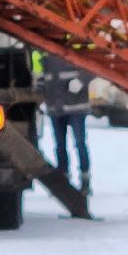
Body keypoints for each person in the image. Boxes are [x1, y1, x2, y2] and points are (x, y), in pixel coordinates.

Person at [38, 53, 92, 195]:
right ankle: (64, 180)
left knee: (79, 143)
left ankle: (85, 181)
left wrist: (81, 81)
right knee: (60, 145)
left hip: (76, 107)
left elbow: (92, 68)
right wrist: (40, 87)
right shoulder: (45, 55)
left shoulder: (75, 49)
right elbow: (43, 76)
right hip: (56, 108)